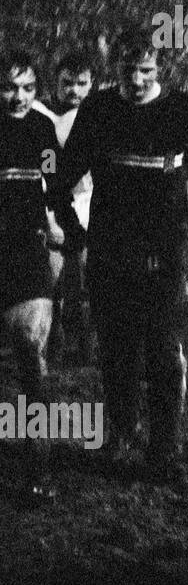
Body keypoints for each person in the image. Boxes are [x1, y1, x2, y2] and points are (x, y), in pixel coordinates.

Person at [50, 28, 188, 485]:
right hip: (111, 246)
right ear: (117, 69)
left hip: (168, 245)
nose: (137, 80)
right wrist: (68, 221)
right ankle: (122, 436)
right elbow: (66, 172)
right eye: (128, 70)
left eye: (146, 71)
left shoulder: (180, 109)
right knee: (117, 346)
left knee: (166, 349)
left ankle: (164, 452)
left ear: (159, 70)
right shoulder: (100, 109)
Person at [0, 47, 63, 502]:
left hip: (25, 253)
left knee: (29, 354)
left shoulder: (43, 129)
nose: (17, 97)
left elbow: (56, 186)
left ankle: (38, 465)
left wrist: (72, 231)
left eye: (26, 88)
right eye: (8, 87)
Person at [34, 49, 97, 363]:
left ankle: (87, 346)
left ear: (91, 84)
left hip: (88, 202)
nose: (74, 90)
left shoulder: (100, 116)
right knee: (52, 278)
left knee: (85, 277)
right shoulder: (41, 117)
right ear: (55, 83)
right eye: (67, 83)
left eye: (81, 83)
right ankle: (53, 345)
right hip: (53, 203)